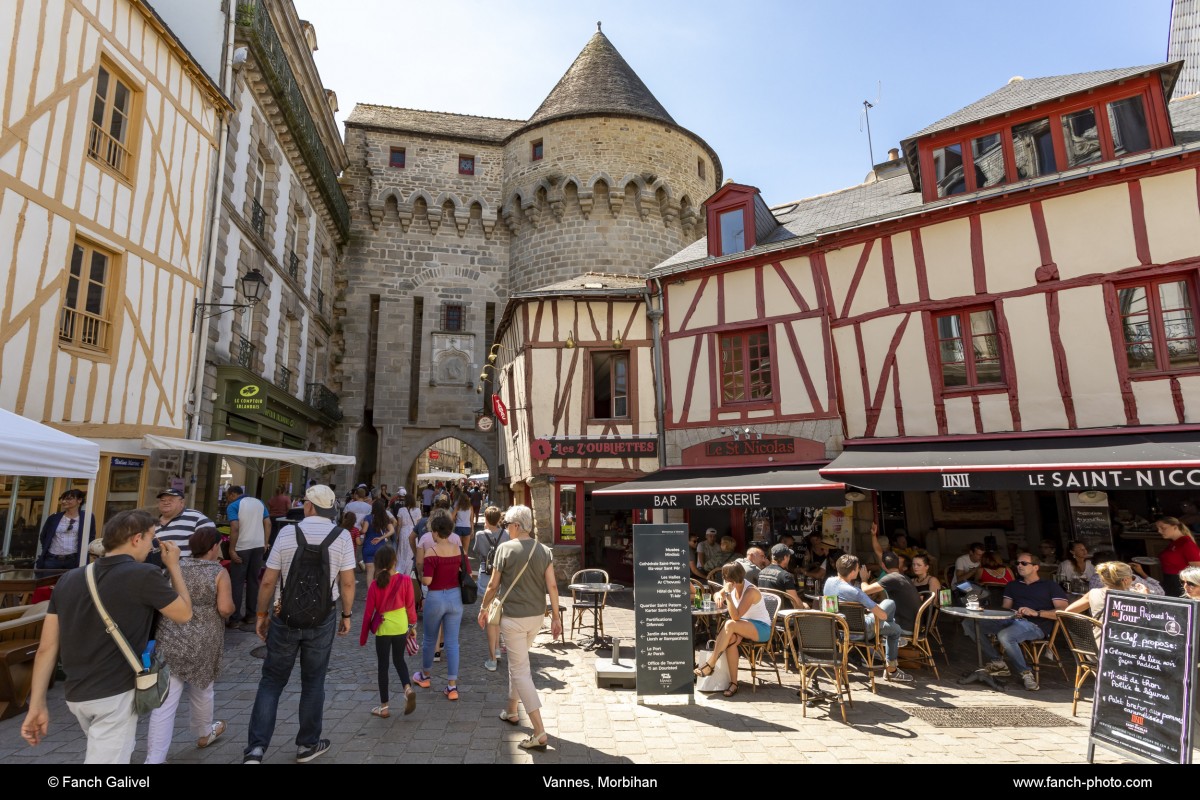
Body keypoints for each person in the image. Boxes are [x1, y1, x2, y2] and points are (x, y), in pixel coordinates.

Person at [20, 510, 193, 763]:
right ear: (136, 539)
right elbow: (184, 614)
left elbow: (47, 648)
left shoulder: (69, 579)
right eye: (151, 538)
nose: (153, 545)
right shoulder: (143, 574)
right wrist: (174, 566)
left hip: (77, 692)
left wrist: (37, 704)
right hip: (114, 692)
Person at [242, 484, 356, 764]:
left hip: (285, 617)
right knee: (314, 682)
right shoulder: (341, 537)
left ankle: (256, 750)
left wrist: (261, 614)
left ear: (307, 506)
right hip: (323, 617)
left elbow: (268, 580)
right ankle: (307, 745)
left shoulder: (287, 533)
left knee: (271, 681)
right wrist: (347, 615)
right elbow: (348, 582)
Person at [145, 526, 234, 763]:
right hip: (204, 639)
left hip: (171, 635)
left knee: (164, 701)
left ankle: (154, 758)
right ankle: (204, 732)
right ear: (215, 547)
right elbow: (225, 608)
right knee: (203, 689)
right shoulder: (218, 572)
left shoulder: (174, 568)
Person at [477, 504, 561, 749]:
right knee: (518, 662)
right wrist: (556, 616)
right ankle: (512, 710)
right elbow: (553, 587)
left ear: (516, 525)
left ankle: (539, 730)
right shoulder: (544, 550)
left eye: (507, 525)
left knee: (521, 670)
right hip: (536, 616)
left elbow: (493, 586)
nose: (507, 529)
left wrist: (484, 608)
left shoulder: (505, 549)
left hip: (513, 618)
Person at [963, 552, 1067, 691]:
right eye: (1017, 563)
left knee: (1005, 636)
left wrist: (1036, 613)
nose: (1019, 566)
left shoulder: (1049, 585)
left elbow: (1063, 611)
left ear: (1036, 567)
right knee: (969, 623)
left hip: (1035, 624)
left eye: (1024, 563)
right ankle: (997, 661)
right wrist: (989, 610)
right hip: (1012, 620)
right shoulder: (1013, 585)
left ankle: (1025, 673)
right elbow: (1005, 609)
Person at [823, 554, 913, 683]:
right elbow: (882, 615)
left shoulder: (829, 582)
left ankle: (886, 633)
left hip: (839, 630)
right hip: (861, 631)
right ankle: (891, 668)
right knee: (890, 604)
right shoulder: (856, 592)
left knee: (895, 629)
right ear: (854, 571)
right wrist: (864, 579)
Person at [692, 561, 773, 697]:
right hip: (743, 625)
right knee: (731, 642)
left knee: (729, 624)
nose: (723, 579)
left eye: (724, 576)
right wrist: (719, 596)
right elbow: (717, 594)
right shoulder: (732, 586)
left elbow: (735, 616)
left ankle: (710, 663)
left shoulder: (750, 591)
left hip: (760, 628)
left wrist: (728, 595)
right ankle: (733, 683)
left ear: (729, 578)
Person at [413, 508, 467, 700]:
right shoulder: (458, 550)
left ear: (435, 532)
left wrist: (420, 575)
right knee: (452, 643)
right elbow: (465, 570)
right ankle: (452, 686)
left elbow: (427, 580)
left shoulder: (431, 552)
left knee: (429, 639)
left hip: (436, 596)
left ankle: (425, 676)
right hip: (455, 597)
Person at [359, 544, 418, 718]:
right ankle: (407, 688)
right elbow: (410, 606)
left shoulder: (375, 585)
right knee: (399, 660)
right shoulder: (406, 580)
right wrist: (412, 626)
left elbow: (368, 614)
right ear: (395, 561)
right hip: (401, 626)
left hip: (383, 629)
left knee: (383, 666)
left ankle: (384, 707)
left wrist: (363, 638)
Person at [226, 485, 271, 627]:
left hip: (241, 547)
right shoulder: (259, 502)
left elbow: (235, 527)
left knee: (237, 583)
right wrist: (265, 542)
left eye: (228, 496)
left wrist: (232, 550)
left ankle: (235, 619)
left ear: (233, 494)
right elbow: (268, 523)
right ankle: (251, 616)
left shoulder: (233, 505)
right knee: (253, 581)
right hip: (258, 546)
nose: (227, 499)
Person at [473, 505, 508, 671]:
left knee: (488, 615)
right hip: (502, 576)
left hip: (486, 575)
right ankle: (498, 647)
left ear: (486, 519)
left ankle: (492, 657)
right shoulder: (506, 535)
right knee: (498, 613)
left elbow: (478, 552)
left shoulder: (480, 535)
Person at [36, 489, 98, 569]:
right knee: (49, 581)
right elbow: (43, 536)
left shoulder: (87, 517)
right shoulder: (54, 517)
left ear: (79, 500)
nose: (64, 501)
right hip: (52, 559)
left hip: (74, 560)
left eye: (69, 499)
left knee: (72, 581)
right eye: (62, 499)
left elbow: (91, 536)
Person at [1066, 561, 1147, 620]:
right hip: (1126, 640)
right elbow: (1150, 619)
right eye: (1132, 578)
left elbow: (1068, 612)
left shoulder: (1093, 593)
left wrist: (1087, 624)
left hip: (1098, 641)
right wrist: (1146, 597)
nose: (1133, 580)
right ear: (1125, 580)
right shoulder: (1134, 597)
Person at [155, 488, 214, 557]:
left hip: (188, 566)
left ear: (182, 503)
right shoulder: (153, 524)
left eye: (171, 500)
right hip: (159, 566)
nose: (166, 503)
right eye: (162, 500)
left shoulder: (196, 517)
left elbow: (213, 540)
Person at [1156, 516, 1200, 597]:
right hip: (1169, 581)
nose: (1159, 531)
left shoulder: (1187, 544)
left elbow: (1197, 568)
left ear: (1175, 527)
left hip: (1180, 583)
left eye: (1163, 528)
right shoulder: (1174, 543)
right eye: (1158, 528)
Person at [878, 551, 921, 634]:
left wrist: (864, 579)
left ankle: (869, 646)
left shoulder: (892, 578)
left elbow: (866, 590)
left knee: (870, 625)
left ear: (883, 565)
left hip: (904, 627)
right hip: (912, 626)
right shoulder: (905, 578)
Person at [361, 498, 396, 586]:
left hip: (368, 545)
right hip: (380, 547)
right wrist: (381, 537)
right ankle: (378, 593)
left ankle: (369, 594)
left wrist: (361, 528)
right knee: (379, 572)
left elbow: (364, 531)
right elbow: (392, 530)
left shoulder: (368, 518)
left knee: (369, 573)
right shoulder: (385, 519)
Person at [758, 544, 806, 608]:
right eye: (789, 556)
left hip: (766, 612)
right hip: (783, 614)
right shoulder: (785, 576)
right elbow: (795, 602)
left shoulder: (761, 572)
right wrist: (804, 606)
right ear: (785, 557)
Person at [453, 491, 475, 556]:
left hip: (458, 527)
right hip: (467, 527)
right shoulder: (470, 507)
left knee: (458, 549)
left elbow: (452, 516)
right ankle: (465, 564)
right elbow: (471, 520)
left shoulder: (458, 507)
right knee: (465, 550)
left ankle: (459, 564)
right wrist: (472, 530)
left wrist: (455, 519)